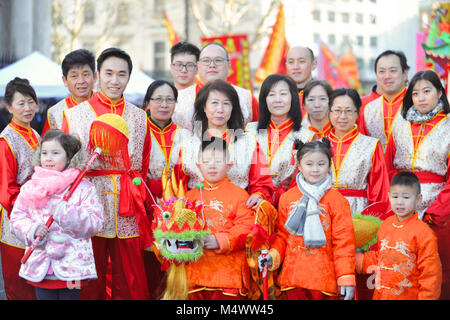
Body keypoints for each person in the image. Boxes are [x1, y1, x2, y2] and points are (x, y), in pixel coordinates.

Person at [61, 47, 152, 300]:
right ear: (98, 75)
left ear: (129, 77)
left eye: (122, 74)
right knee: (91, 276)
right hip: (90, 205)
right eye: (109, 73)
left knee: (131, 276)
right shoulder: (75, 115)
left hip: (128, 204)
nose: (115, 80)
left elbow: (142, 164)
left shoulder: (139, 117)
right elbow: (67, 165)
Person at [9, 130, 104, 300]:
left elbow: (95, 223)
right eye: (44, 153)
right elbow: (17, 218)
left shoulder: (84, 188)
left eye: (55, 153)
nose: (48, 158)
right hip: (41, 266)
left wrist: (66, 213)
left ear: (69, 157)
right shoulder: (31, 187)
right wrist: (33, 229)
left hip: (74, 267)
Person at [260, 139, 356, 300]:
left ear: (329, 165)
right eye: (309, 164)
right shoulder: (287, 198)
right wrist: (272, 255)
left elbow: (343, 243)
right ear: (299, 166)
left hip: (325, 280)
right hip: (293, 277)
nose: (315, 169)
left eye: (321, 164)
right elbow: (283, 236)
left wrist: (345, 276)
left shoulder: (337, 200)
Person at [385, 70, 450, 299]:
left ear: (440, 93)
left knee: (435, 270)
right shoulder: (399, 124)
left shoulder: (448, 126)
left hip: (437, 210)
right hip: (402, 206)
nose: (421, 97)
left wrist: (435, 212)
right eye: (415, 93)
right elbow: (389, 166)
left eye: (427, 91)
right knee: (399, 266)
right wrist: (395, 200)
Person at [178, 79, 273, 210]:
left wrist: (258, 195)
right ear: (204, 107)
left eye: (226, 104)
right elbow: (179, 185)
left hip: (238, 212)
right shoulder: (188, 144)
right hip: (197, 214)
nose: (220, 110)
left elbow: (261, 182)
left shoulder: (248, 142)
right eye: (214, 103)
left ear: (233, 108)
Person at [185, 138, 254, 299]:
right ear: (198, 165)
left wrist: (221, 240)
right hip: (196, 273)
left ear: (229, 165)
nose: (212, 165)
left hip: (229, 275)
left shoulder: (240, 195)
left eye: (218, 161)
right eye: (206, 161)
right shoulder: (189, 196)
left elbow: (247, 227)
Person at [355, 172, 442, 300]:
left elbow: (430, 274)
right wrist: (355, 260)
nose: (400, 202)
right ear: (389, 196)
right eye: (395, 197)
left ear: (418, 199)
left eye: (406, 197)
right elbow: (380, 257)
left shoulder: (424, 233)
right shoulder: (386, 225)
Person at [142, 79, 192, 299]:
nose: (164, 104)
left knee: (177, 268)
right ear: (148, 103)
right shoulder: (139, 133)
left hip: (180, 212)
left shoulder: (187, 136)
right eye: (158, 99)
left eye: (169, 100)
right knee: (149, 268)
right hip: (145, 208)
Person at [246, 74, 315, 206]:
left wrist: (283, 199)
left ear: (293, 98)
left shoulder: (307, 137)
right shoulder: (250, 130)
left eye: (283, 94)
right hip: (252, 201)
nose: (277, 100)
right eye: (271, 94)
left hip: (290, 204)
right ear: (264, 99)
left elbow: (303, 178)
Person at [0, 78, 40, 300]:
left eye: (31, 102)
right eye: (21, 103)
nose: (28, 108)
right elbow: (7, 191)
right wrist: (30, 216)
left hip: (40, 217)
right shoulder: (6, 141)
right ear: (9, 107)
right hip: (18, 220)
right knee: (20, 284)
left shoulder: (34, 134)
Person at [327, 88, 390, 215]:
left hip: (358, 212)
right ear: (329, 113)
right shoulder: (318, 145)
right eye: (338, 111)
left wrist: (373, 222)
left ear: (357, 113)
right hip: (324, 210)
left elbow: (379, 190)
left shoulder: (371, 145)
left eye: (348, 111)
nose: (342, 116)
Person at [173, 42, 259, 131]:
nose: (212, 65)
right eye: (206, 61)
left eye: (218, 60)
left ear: (229, 66)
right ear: (198, 66)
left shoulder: (247, 99)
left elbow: (259, 134)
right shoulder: (178, 100)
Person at [359, 50, 409, 151]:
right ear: (376, 76)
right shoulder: (369, 109)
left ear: (404, 74)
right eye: (382, 71)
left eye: (393, 70)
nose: (387, 76)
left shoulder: (417, 104)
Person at [41, 49, 96, 136]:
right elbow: (49, 146)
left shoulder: (107, 106)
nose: (81, 81)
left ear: (95, 77)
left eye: (85, 75)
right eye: (74, 76)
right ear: (65, 80)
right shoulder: (55, 113)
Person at [285, 46, 317, 118]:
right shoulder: (278, 97)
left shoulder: (325, 96)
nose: (296, 67)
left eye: (301, 61)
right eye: (291, 62)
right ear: (286, 65)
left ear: (313, 64)